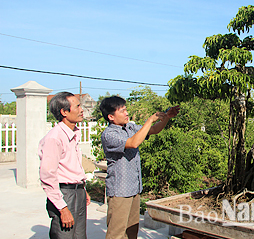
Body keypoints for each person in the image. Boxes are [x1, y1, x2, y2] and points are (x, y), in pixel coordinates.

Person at [99, 96, 179, 239]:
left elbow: (153, 130)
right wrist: (149, 120)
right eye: (122, 111)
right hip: (119, 191)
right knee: (116, 234)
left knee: (131, 231)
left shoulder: (130, 127)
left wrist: (166, 117)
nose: (126, 113)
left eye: (126, 109)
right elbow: (133, 143)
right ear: (111, 116)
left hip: (133, 188)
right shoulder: (109, 134)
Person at [38, 92, 91, 239]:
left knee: (79, 236)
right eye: (78, 106)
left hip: (77, 191)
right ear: (64, 112)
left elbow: (71, 166)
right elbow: (48, 176)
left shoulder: (73, 134)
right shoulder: (54, 138)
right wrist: (62, 208)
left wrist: (82, 188)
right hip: (64, 194)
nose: (82, 110)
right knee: (65, 235)